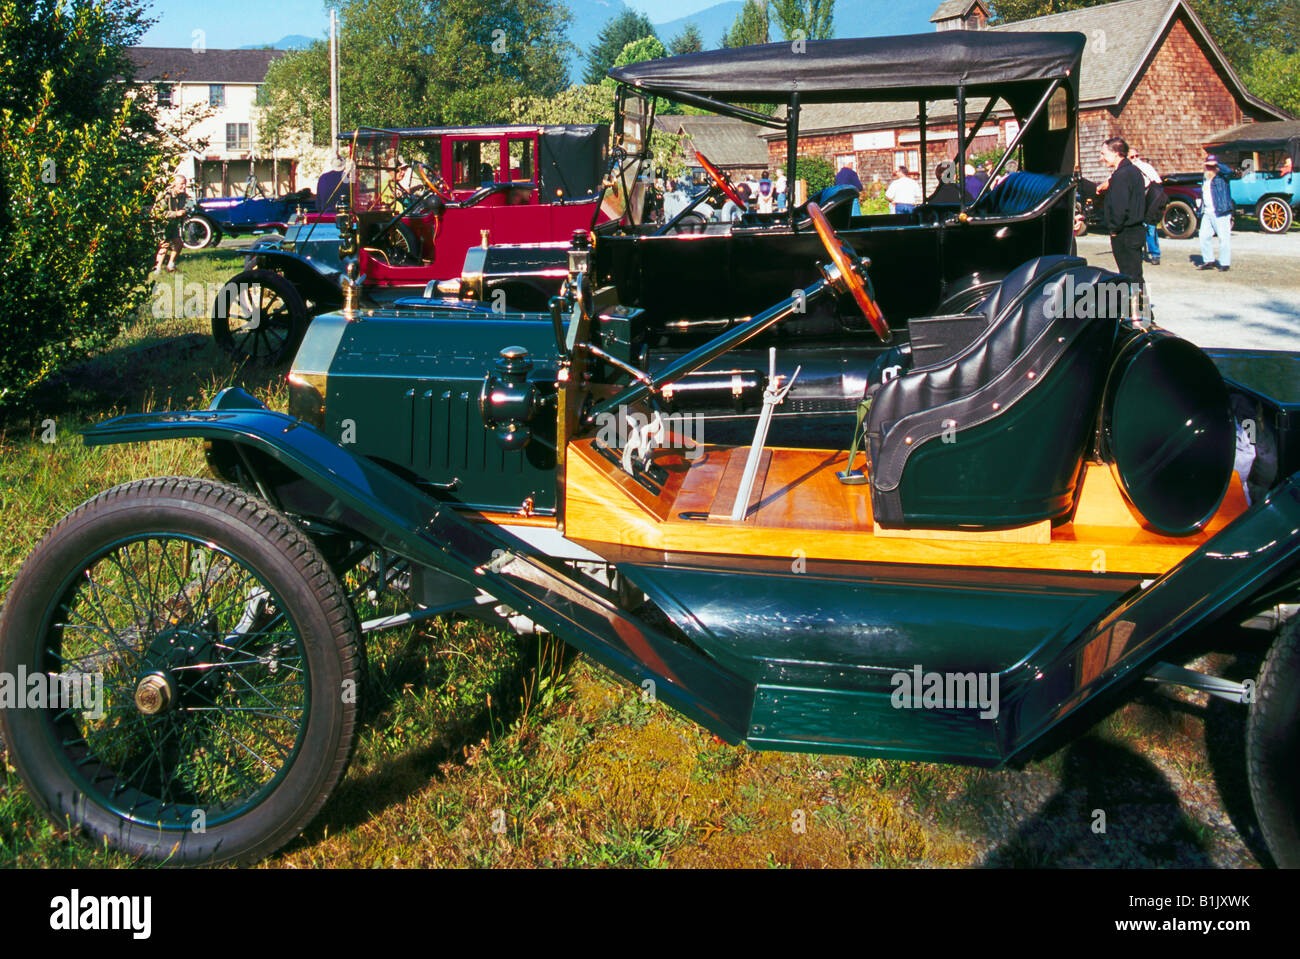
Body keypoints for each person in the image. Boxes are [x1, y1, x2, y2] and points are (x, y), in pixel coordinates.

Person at [1099, 136, 1146, 301]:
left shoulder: (1122, 175)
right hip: (1135, 231)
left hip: (1126, 233)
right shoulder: (1133, 171)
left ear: (1116, 153)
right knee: (1134, 275)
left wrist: (1114, 229)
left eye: (1104, 153)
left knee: (1130, 277)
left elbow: (1120, 208)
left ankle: (1140, 315)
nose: (1101, 157)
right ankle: (1138, 314)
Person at [1199, 154, 1233, 272]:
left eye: (1211, 167)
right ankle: (1208, 260)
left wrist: (1217, 165)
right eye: (1208, 166)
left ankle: (1225, 263)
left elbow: (1230, 172)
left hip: (1220, 211)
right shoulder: (1205, 178)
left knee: (1223, 238)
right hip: (1207, 212)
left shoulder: (1222, 177)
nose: (1209, 169)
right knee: (1203, 236)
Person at [1128, 148, 1162, 265]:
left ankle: (1155, 254)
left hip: (1150, 200)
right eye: (1132, 157)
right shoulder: (1128, 170)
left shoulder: (1145, 167)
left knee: (1150, 228)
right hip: (1139, 201)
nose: (1135, 159)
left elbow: (1157, 181)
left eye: (1137, 156)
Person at [153, 175, 188, 273]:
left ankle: (171, 265)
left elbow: (183, 208)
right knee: (164, 245)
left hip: (173, 224)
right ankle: (158, 269)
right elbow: (158, 214)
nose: (184, 187)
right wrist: (176, 214)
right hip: (162, 224)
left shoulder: (183, 196)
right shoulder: (165, 195)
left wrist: (183, 214)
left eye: (185, 184)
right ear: (174, 184)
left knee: (179, 244)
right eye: (181, 184)